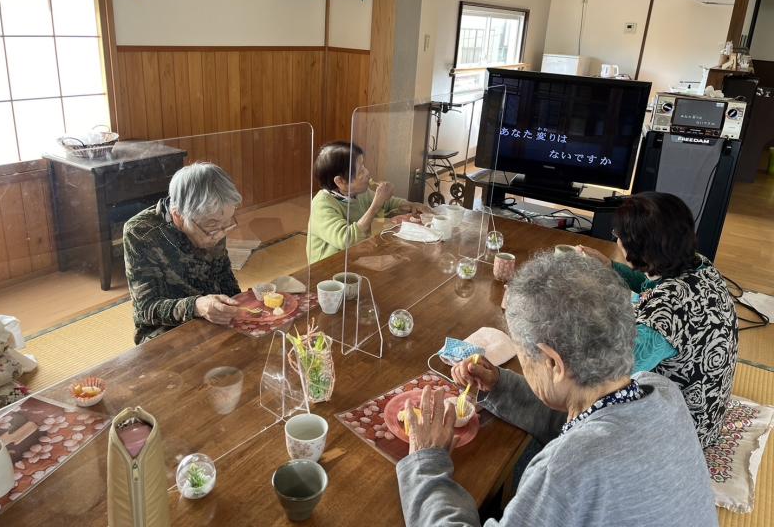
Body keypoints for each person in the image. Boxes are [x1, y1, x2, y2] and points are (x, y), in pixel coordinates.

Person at [396, 252, 718, 526]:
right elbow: (583, 428)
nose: (523, 364)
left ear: (553, 362)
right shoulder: (659, 390)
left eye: (522, 356)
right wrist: (499, 385)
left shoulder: (561, 472)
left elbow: (577, 454)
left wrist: (427, 461)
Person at [579, 191, 737, 447]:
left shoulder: (664, 315)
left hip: (684, 432)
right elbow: (650, 285)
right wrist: (608, 266)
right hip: (709, 408)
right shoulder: (698, 265)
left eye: (618, 236)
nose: (617, 240)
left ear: (637, 248)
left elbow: (613, 371)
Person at [123, 162, 243, 344]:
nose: (220, 234)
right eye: (211, 226)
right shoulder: (141, 232)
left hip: (214, 318)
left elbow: (225, 280)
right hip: (167, 331)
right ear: (178, 215)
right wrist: (196, 306)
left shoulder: (215, 222)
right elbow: (146, 309)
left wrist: (240, 305)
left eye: (226, 223)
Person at [307, 141, 429, 263]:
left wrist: (410, 205)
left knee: (405, 258)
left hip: (354, 258)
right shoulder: (322, 205)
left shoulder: (359, 193)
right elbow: (346, 239)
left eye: (364, 166)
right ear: (340, 181)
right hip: (328, 268)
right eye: (360, 171)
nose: (367, 172)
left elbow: (388, 203)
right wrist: (376, 204)